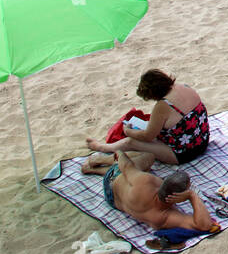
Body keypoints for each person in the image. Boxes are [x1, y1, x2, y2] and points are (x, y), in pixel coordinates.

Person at [85, 69, 210, 166]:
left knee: (131, 142)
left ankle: (102, 147)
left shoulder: (163, 106)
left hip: (184, 153)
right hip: (202, 141)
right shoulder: (185, 87)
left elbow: (148, 136)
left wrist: (128, 131)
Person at [86, 151, 219, 235]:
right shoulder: (163, 217)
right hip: (113, 200)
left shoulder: (146, 182)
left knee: (147, 157)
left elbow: (126, 167)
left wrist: (120, 154)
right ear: (178, 198)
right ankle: (101, 164)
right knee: (145, 160)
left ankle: (105, 162)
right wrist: (192, 196)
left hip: (114, 179)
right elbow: (204, 225)